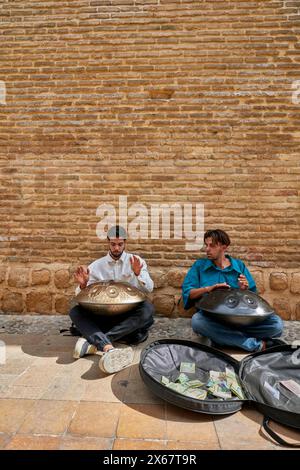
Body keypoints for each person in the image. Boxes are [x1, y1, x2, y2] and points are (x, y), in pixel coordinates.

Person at [70, 225, 154, 374]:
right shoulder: (97, 265)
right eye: (113, 244)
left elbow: (149, 289)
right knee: (76, 312)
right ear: (108, 243)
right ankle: (108, 345)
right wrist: (83, 285)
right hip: (103, 315)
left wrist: (138, 274)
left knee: (147, 310)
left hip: (128, 314)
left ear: (125, 243)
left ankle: (96, 342)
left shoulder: (136, 261)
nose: (116, 248)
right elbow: (79, 296)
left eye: (120, 244)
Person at [182, 229, 283, 352]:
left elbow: (253, 298)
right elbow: (189, 293)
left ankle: (225, 338)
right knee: (197, 321)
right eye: (206, 245)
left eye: (212, 246)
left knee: (276, 324)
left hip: (241, 320)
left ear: (224, 247)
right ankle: (257, 345)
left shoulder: (239, 266)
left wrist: (244, 290)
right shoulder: (199, 266)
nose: (207, 249)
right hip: (213, 319)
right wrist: (208, 288)